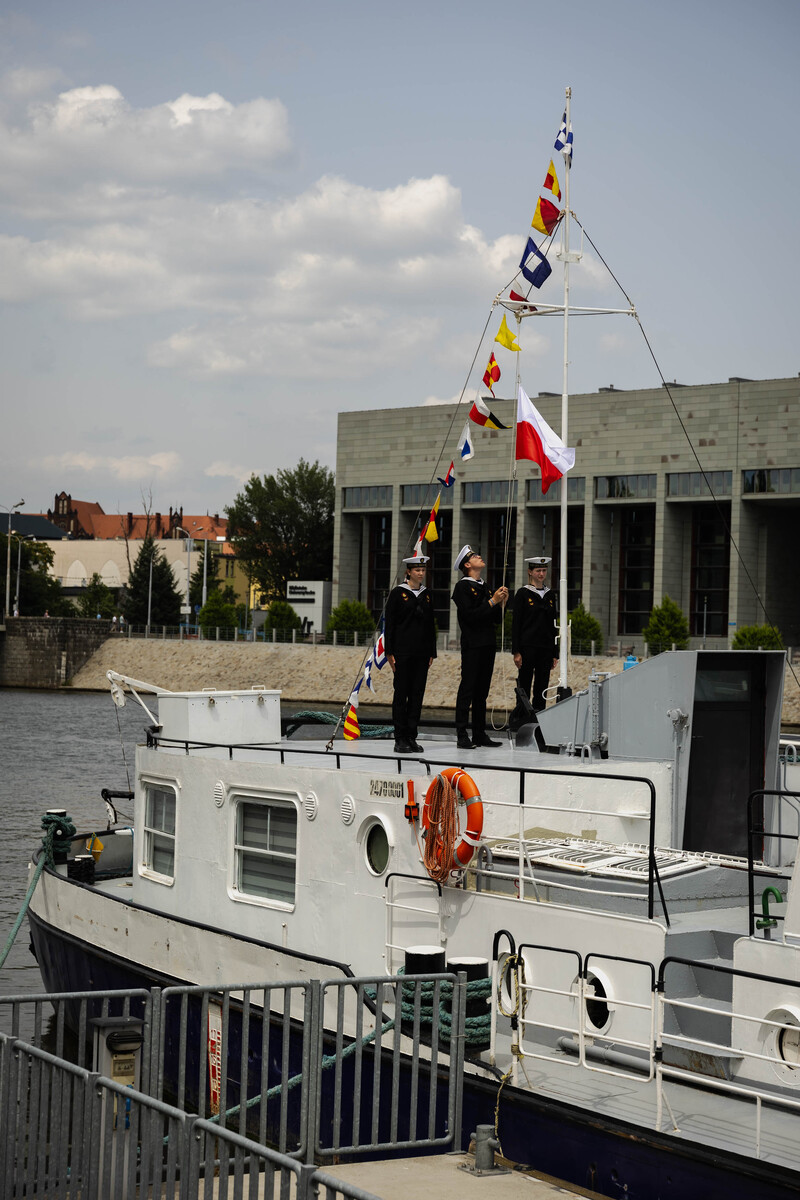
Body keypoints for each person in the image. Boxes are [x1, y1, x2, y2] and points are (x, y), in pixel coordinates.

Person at [452, 545, 508, 750]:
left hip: (487, 643)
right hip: (473, 643)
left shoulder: (485, 586)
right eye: (474, 556)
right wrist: (492, 601)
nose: (480, 557)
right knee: (467, 688)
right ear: (467, 565)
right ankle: (461, 733)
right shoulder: (463, 587)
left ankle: (479, 732)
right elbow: (470, 616)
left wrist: (501, 604)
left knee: (482, 691)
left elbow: (495, 620)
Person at [384, 553, 437, 754]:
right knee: (401, 695)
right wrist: (390, 651)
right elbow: (390, 625)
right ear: (409, 572)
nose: (421, 573)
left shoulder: (427, 594)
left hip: (422, 652)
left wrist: (432, 651)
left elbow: (431, 625)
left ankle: (412, 736)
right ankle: (400, 738)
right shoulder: (398, 593)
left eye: (423, 570)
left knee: (417, 695)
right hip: (402, 652)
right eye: (417, 570)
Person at [510, 556, 558, 728]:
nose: (541, 574)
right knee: (524, 684)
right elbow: (516, 624)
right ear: (530, 572)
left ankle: (539, 722)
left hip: (545, 648)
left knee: (542, 686)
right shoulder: (523, 594)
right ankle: (521, 720)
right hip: (527, 647)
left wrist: (555, 652)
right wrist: (516, 651)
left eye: (544, 570)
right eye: (538, 570)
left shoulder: (550, 594)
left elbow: (554, 624)